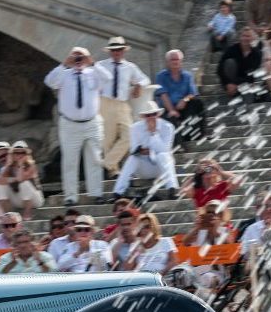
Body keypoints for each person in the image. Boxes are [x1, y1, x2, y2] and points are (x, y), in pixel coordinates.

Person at [44, 46, 105, 207]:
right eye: (75, 57)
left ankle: (97, 193)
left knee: (95, 159)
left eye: (81, 57)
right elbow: (49, 81)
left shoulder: (93, 72)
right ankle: (71, 197)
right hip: (70, 124)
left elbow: (108, 79)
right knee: (70, 161)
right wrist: (65, 64)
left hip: (91, 122)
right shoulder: (63, 74)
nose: (78, 60)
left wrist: (92, 62)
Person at [95, 36, 150, 178]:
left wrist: (138, 85)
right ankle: (113, 170)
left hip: (122, 103)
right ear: (109, 52)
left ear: (123, 51)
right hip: (105, 102)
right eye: (113, 50)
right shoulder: (101, 65)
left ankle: (107, 163)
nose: (116, 52)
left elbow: (145, 79)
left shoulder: (130, 67)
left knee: (130, 135)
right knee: (108, 138)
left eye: (119, 49)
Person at [112, 102, 179, 200]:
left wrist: (153, 133)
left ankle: (172, 189)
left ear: (158, 114)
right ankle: (118, 193)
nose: (151, 117)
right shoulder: (135, 128)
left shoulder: (168, 127)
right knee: (132, 158)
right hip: (143, 168)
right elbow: (134, 149)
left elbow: (165, 150)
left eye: (154, 114)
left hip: (160, 168)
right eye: (148, 115)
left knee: (163, 156)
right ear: (144, 117)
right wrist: (148, 150)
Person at [154, 49, 206, 144]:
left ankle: (199, 135)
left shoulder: (187, 75)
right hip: (167, 107)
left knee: (198, 103)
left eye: (177, 59)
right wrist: (171, 110)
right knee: (170, 117)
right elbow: (163, 94)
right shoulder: (161, 76)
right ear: (167, 62)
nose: (175, 62)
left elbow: (192, 93)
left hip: (183, 106)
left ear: (181, 61)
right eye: (172, 60)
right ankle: (179, 145)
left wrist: (184, 100)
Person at [0, 140, 44, 220]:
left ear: (26, 155)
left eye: (22, 153)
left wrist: (20, 164)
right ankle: (7, 215)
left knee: (24, 183)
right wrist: (8, 164)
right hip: (19, 200)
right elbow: (0, 180)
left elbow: (20, 179)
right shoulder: (10, 167)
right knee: (0, 185)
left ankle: (27, 214)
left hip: (35, 200)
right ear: (12, 154)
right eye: (17, 153)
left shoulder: (31, 166)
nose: (19, 155)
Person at [218, 27, 263, 99]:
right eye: (243, 36)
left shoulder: (257, 53)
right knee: (229, 62)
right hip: (231, 81)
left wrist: (237, 85)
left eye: (248, 36)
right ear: (240, 37)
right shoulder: (232, 49)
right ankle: (231, 92)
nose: (245, 38)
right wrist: (228, 83)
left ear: (252, 38)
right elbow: (220, 68)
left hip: (247, 83)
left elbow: (253, 74)